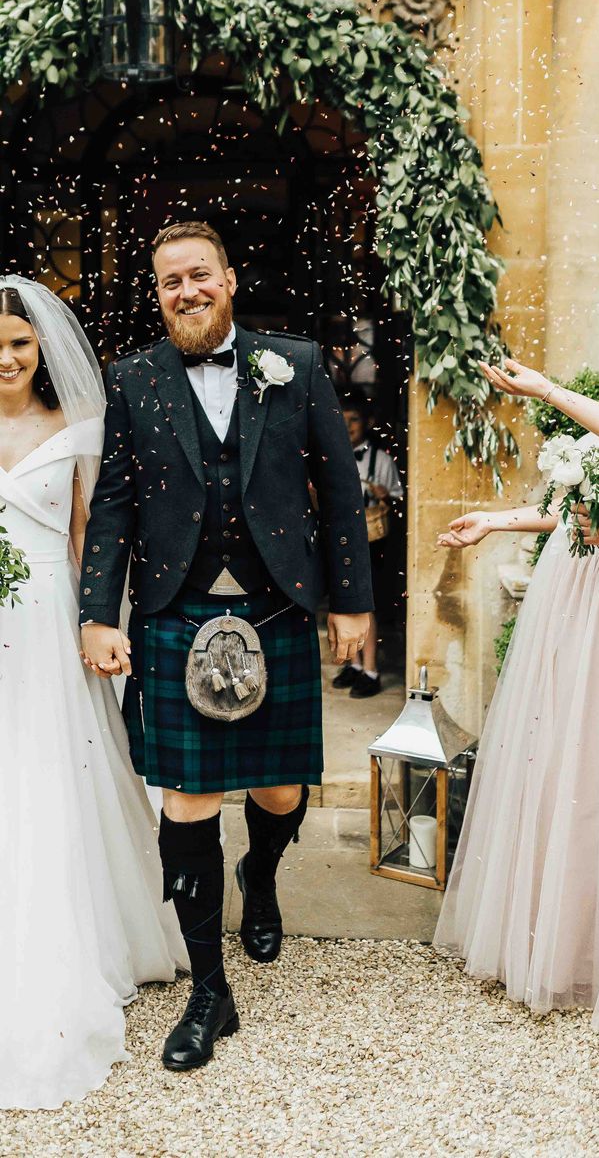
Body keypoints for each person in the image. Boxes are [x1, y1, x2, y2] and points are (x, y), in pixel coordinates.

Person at [79, 220, 373, 1072]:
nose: (187, 292)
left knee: (280, 792)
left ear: (230, 279)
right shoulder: (133, 378)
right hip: (174, 612)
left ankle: (262, 874)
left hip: (277, 608)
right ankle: (210, 989)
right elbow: (114, 503)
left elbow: (341, 491)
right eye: (170, 281)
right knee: (188, 799)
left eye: (199, 275)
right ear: (158, 294)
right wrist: (99, 612)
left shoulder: (296, 363)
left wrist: (353, 604)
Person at [0, 276, 186, 1111]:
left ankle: (80, 929)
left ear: (40, 348)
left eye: (19, 344)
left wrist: (98, 623)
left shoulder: (77, 426)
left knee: (50, 765)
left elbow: (89, 535)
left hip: (47, 617)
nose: (7, 359)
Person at [434, 355, 599, 1024]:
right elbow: (568, 508)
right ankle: (549, 936)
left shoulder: (574, 404)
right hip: (570, 595)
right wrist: (495, 520)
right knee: (558, 753)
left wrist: (546, 390)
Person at [333, 388, 403, 698]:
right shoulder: (331, 455)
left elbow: (399, 502)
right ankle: (354, 663)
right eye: (343, 419)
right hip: (338, 540)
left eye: (355, 419)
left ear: (367, 422)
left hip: (371, 541)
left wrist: (385, 496)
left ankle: (371, 670)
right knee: (342, 602)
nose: (348, 426)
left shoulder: (382, 459)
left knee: (364, 604)